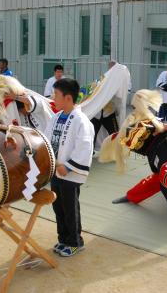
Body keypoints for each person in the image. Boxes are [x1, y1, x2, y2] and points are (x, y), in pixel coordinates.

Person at [44, 78, 94, 257]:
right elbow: (47, 139)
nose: (53, 97)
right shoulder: (56, 117)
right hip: (56, 172)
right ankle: (63, 238)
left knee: (70, 208)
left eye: (55, 94)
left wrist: (69, 166)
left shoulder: (81, 120)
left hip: (69, 173)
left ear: (67, 97)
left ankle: (75, 241)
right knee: (58, 207)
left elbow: (85, 146)